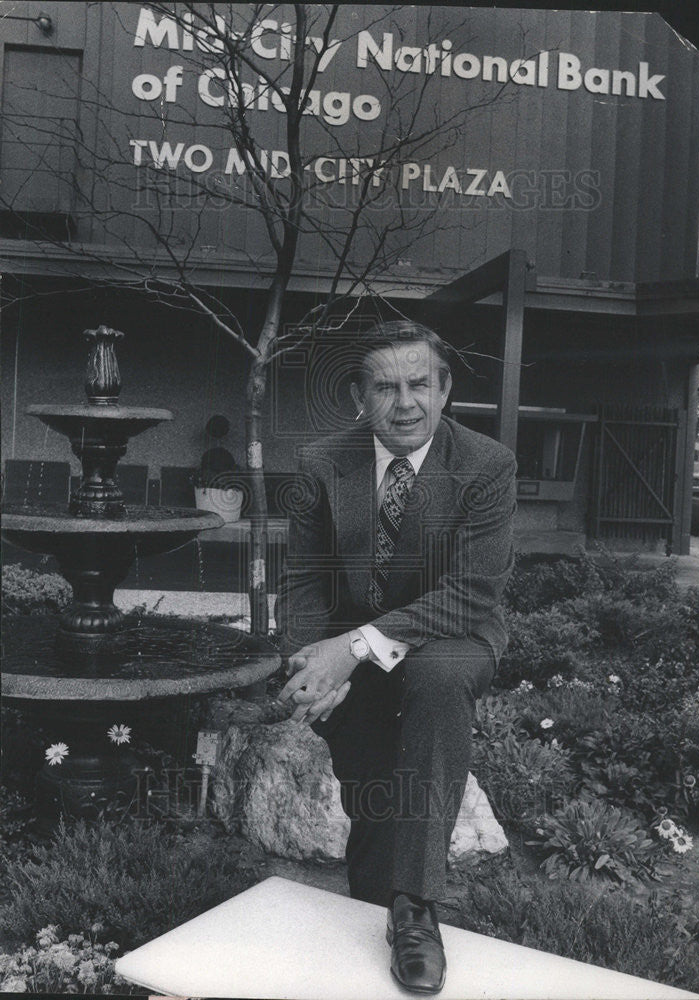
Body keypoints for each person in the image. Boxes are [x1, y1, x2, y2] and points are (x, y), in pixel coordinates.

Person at [276, 320, 517, 995]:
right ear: (359, 397)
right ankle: (371, 905)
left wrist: (350, 648)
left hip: (454, 632)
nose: (404, 402)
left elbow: (471, 590)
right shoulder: (321, 464)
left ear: (443, 391)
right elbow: (303, 578)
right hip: (351, 645)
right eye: (385, 387)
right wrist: (307, 665)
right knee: (374, 785)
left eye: (419, 385)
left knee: (434, 677)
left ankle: (413, 913)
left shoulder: (485, 465)